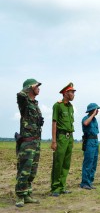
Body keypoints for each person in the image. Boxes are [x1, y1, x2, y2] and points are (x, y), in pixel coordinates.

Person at [15, 79, 43, 207]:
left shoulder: (35, 104)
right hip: (27, 143)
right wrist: (28, 87)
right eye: (37, 86)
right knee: (24, 170)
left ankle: (27, 194)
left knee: (32, 171)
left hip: (36, 142)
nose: (39, 88)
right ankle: (20, 196)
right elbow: (20, 94)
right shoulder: (24, 103)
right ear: (30, 88)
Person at [50, 82, 76, 197]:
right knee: (58, 162)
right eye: (72, 92)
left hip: (69, 137)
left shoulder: (71, 107)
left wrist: (72, 140)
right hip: (60, 137)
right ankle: (55, 187)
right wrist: (54, 141)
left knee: (66, 163)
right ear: (66, 93)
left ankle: (62, 186)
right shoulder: (58, 105)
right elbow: (54, 123)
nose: (73, 94)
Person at [80, 103, 100, 190]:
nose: (98, 111)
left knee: (94, 163)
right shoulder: (86, 118)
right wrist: (92, 114)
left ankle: (90, 181)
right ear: (93, 110)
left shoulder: (95, 119)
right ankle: (85, 183)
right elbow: (85, 123)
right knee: (88, 162)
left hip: (95, 141)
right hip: (89, 141)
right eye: (96, 109)